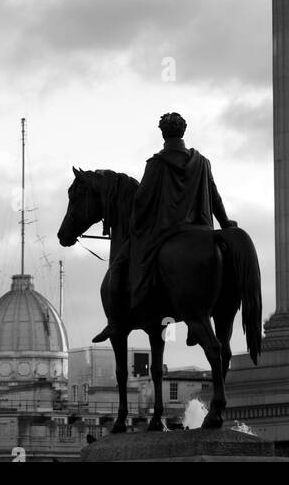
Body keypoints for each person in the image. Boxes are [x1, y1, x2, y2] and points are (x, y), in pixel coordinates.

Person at [92, 112, 235, 342]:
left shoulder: (157, 163)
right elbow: (215, 197)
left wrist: (135, 226)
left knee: (118, 266)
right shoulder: (202, 162)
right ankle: (196, 321)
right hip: (201, 228)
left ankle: (114, 322)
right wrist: (225, 222)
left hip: (165, 231)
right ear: (183, 132)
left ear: (162, 133)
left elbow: (141, 201)